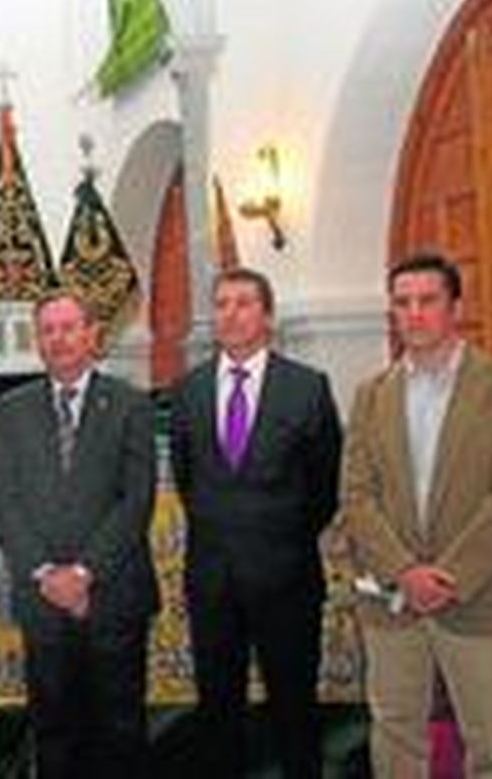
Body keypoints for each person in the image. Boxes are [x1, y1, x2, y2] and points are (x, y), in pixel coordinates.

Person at [339, 252, 492, 779]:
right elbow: (357, 496)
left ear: (456, 306)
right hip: (392, 601)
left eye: (427, 300)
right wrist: (405, 571)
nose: (414, 314)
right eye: (402, 303)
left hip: (484, 598)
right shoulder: (371, 395)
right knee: (395, 738)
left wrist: (448, 577)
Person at [168, 268, 342, 779]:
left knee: (295, 710)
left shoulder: (306, 388)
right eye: (221, 304)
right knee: (218, 712)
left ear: (267, 316)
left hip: (286, 579)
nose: (231, 313)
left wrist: (277, 537)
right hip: (213, 581)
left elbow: (324, 489)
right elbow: (187, 480)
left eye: (244, 303)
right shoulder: (189, 390)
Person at [0, 292, 157, 778]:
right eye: (48, 330)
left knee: (120, 732)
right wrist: (48, 575)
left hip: (114, 595)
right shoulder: (11, 410)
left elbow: (136, 500)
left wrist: (84, 574)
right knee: (54, 732)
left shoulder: (130, 404)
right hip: (42, 601)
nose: (58, 339)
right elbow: (5, 502)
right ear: (37, 340)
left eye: (68, 328)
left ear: (92, 335)